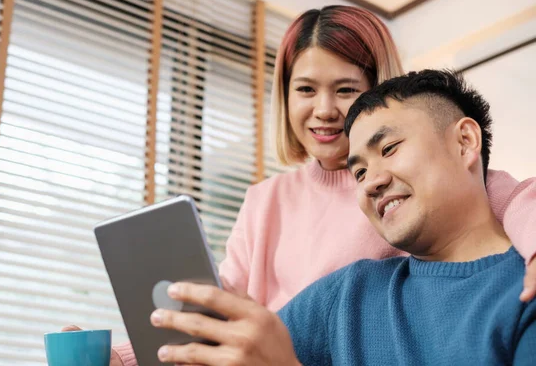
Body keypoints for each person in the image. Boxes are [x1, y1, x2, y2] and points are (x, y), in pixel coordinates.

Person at [66, 6, 536, 365]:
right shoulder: (272, 210)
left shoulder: (436, 195)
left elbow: (520, 202)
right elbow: (217, 303)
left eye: (347, 90)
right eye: (306, 90)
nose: (326, 110)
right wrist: (125, 357)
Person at [149, 69, 536, 365]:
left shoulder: (523, 294)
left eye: (389, 148)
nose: (372, 183)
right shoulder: (346, 294)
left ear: (464, 142)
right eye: (360, 172)